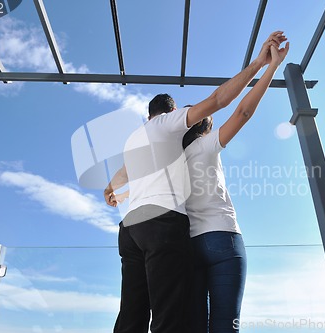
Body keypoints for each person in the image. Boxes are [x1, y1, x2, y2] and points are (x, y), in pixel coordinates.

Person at [104, 31, 286, 333]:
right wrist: (267, 66)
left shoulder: (153, 150)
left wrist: (114, 189)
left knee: (156, 317)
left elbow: (126, 170)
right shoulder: (199, 141)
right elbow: (238, 109)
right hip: (215, 238)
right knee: (205, 322)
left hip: (161, 237)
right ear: (179, 116)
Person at [183, 34, 289, 333]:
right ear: (204, 129)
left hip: (187, 245)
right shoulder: (205, 145)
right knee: (225, 326)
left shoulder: (170, 156)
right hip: (223, 240)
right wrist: (271, 67)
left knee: (193, 326)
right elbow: (242, 113)